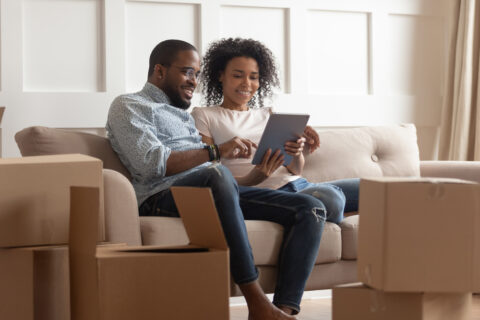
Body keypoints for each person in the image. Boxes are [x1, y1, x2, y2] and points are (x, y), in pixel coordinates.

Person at [106, 39, 346, 319]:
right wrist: (216, 151)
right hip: (162, 196)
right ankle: (256, 300)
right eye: (187, 72)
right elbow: (150, 163)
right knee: (216, 171)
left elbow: (220, 180)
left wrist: (256, 173)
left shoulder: (181, 113)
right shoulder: (129, 105)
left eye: (196, 73)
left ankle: (284, 310)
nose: (193, 81)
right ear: (159, 71)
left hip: (211, 188)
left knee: (310, 208)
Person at [192, 37, 360, 221]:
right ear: (220, 75)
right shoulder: (204, 115)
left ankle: (331, 213)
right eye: (238, 75)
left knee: (377, 188)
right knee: (331, 199)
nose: (247, 83)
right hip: (267, 194)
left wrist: (296, 153)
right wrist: (253, 177)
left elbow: (295, 170)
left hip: (299, 185)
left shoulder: (268, 114)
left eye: (253, 77)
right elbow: (208, 174)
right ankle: (334, 212)